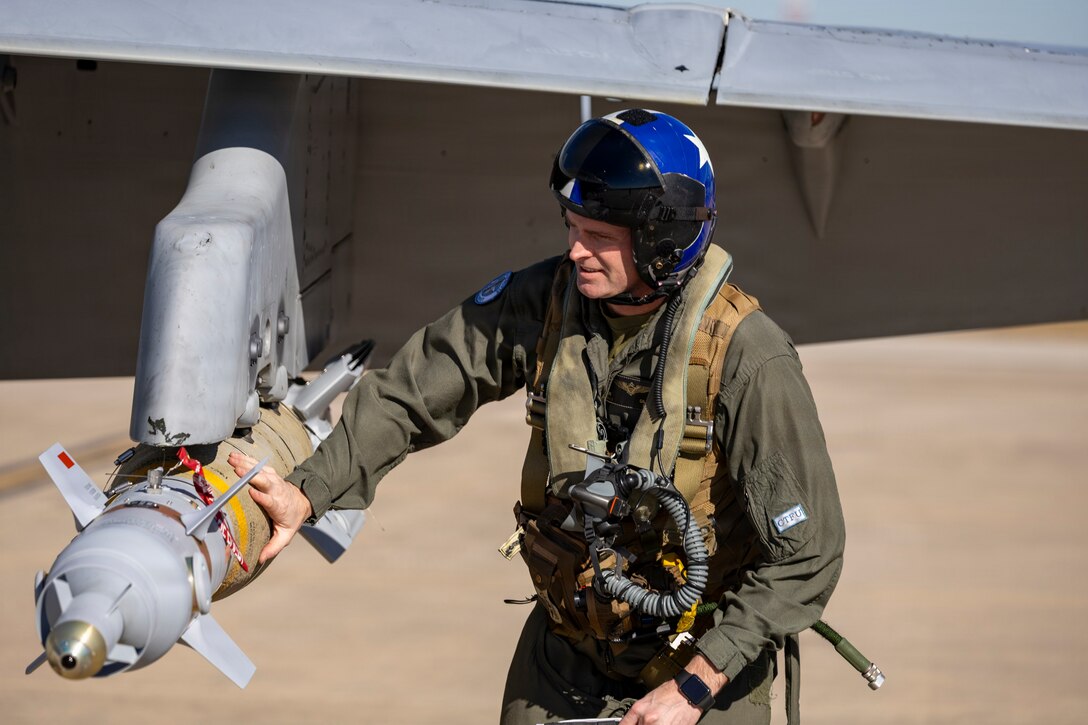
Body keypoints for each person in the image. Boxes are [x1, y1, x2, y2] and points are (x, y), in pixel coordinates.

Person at [229, 109, 845, 725]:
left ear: (664, 238)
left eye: (599, 235)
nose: (575, 250)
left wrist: (693, 688)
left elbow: (806, 556)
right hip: (568, 652)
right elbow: (414, 390)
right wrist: (307, 492)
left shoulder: (749, 359)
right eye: (572, 227)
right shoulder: (549, 302)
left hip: (705, 666)